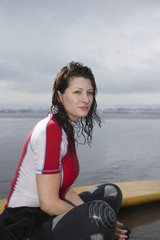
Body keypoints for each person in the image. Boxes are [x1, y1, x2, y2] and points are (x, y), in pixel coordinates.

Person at [0, 61, 130, 240]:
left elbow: (62, 187)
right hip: (25, 222)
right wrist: (90, 220)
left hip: (45, 213)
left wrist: (87, 216)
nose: (86, 99)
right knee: (101, 220)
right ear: (60, 96)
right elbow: (48, 203)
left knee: (110, 193)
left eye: (89, 92)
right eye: (77, 92)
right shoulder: (50, 130)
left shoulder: (64, 129)